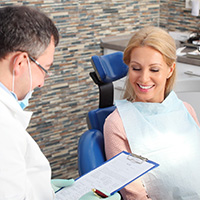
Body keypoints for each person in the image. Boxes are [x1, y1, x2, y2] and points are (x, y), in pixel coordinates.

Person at [0, 5, 120, 200]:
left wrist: (40, 189)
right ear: (20, 63)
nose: (41, 83)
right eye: (44, 69)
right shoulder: (3, 129)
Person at [104, 26, 200, 200]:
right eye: (136, 68)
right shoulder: (117, 124)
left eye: (154, 69)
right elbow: (135, 195)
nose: (144, 78)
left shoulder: (186, 110)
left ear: (170, 70)